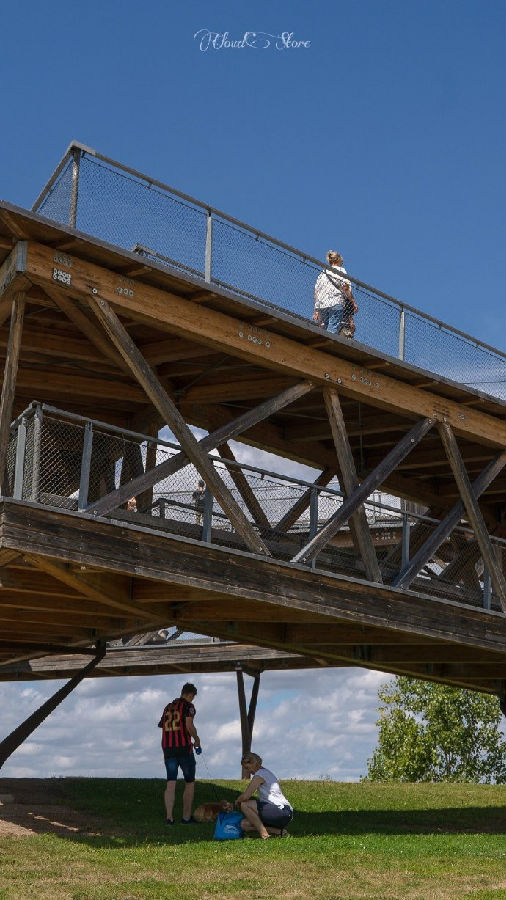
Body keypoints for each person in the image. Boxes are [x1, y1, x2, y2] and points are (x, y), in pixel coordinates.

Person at [158, 682, 202, 825]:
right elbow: (189, 725)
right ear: (190, 694)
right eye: (193, 697)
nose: (192, 700)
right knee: (189, 783)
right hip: (184, 748)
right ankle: (186, 817)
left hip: (168, 748)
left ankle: (169, 818)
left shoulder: (168, 707)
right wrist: (196, 739)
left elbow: (161, 725)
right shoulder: (189, 707)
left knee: (171, 783)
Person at [235, 751, 293, 839]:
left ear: (254, 763)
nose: (248, 771)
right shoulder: (265, 773)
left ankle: (264, 834)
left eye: (247, 767)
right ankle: (279, 832)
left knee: (244, 804)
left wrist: (237, 801)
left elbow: (245, 796)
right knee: (244, 824)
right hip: (282, 813)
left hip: (282, 811)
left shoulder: (260, 775)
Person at [313, 250, 358, 337]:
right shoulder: (341, 271)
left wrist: (316, 309)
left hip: (322, 304)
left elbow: (316, 292)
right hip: (335, 302)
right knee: (333, 328)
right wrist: (353, 302)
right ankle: (327, 347)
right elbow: (346, 288)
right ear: (338, 260)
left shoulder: (322, 273)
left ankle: (323, 342)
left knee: (324, 327)